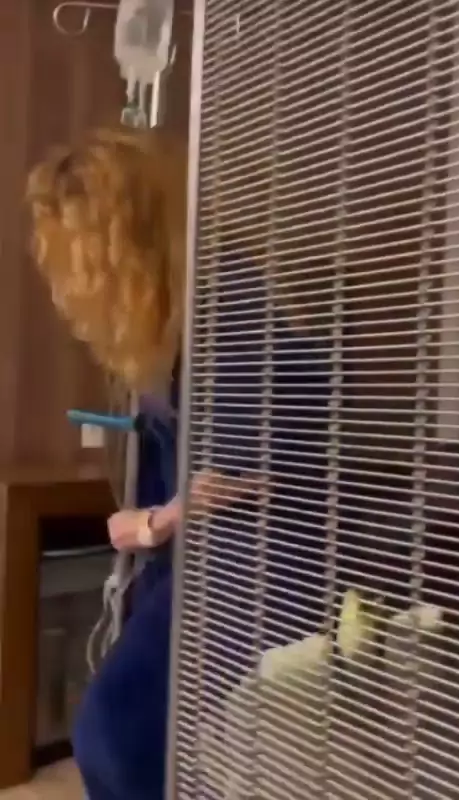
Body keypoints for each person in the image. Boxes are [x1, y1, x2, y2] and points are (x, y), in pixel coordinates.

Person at [26, 127, 330, 800]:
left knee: (114, 731)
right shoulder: (180, 323)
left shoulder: (232, 317)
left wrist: (156, 520)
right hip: (214, 560)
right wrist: (151, 521)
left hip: (266, 568)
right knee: (122, 730)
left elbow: (241, 484)